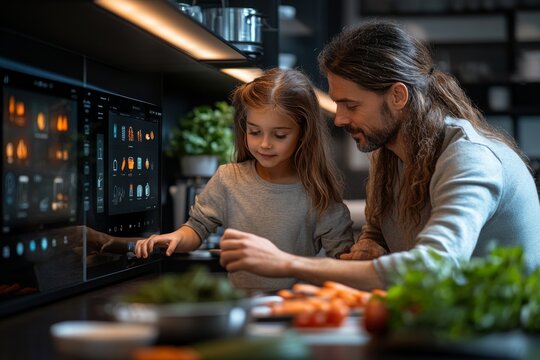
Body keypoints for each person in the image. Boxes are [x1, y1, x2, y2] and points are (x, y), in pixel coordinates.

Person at [219, 20, 540, 290]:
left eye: (351, 105)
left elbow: (434, 266)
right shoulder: (388, 153)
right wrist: (371, 246)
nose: (340, 119)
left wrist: (286, 262)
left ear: (398, 96)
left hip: (503, 337)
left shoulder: (469, 158)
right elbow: (376, 232)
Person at [135, 68, 354, 292]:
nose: (265, 144)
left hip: (296, 307)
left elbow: (344, 259)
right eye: (255, 132)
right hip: (243, 307)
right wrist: (175, 237)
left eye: (279, 135)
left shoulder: (317, 192)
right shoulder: (229, 179)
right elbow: (197, 228)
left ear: (304, 134)